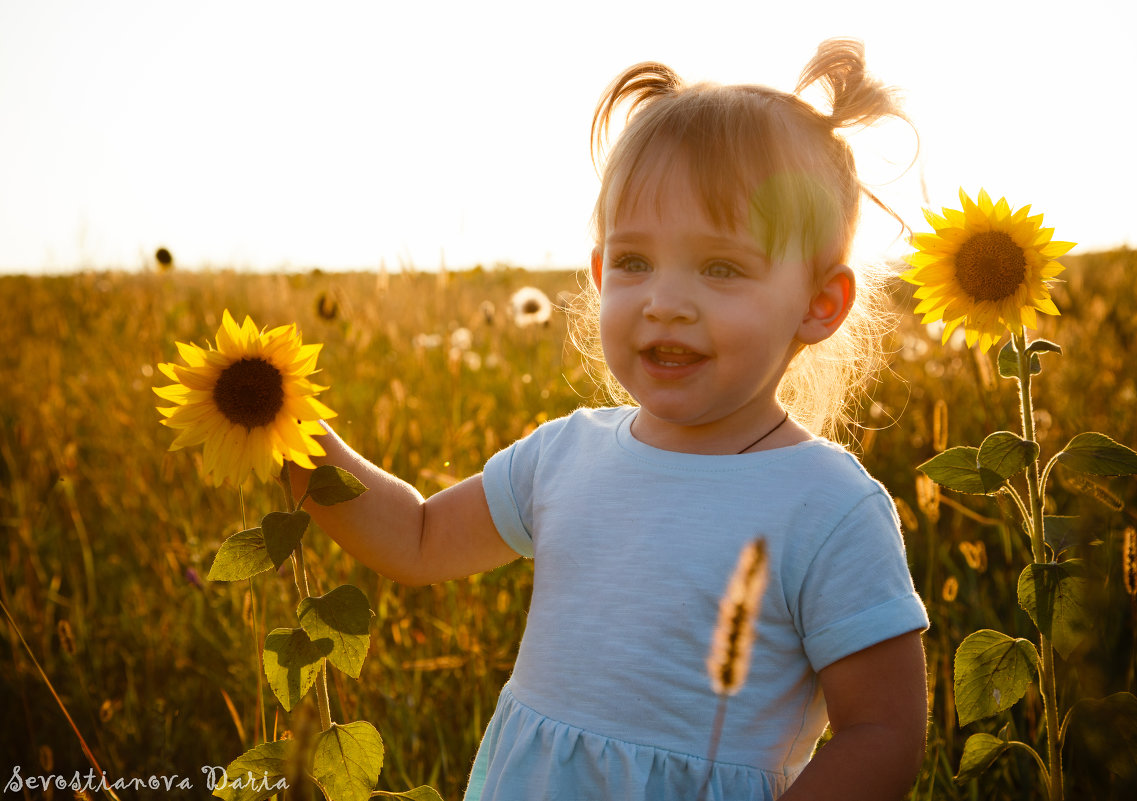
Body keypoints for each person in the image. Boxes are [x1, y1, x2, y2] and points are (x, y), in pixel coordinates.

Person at [291, 38, 929, 801]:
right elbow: (418, 536)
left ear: (819, 304)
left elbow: (882, 732)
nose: (663, 299)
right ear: (597, 275)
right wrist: (292, 437)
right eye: (633, 262)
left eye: (720, 267)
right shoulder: (565, 455)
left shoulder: (827, 504)